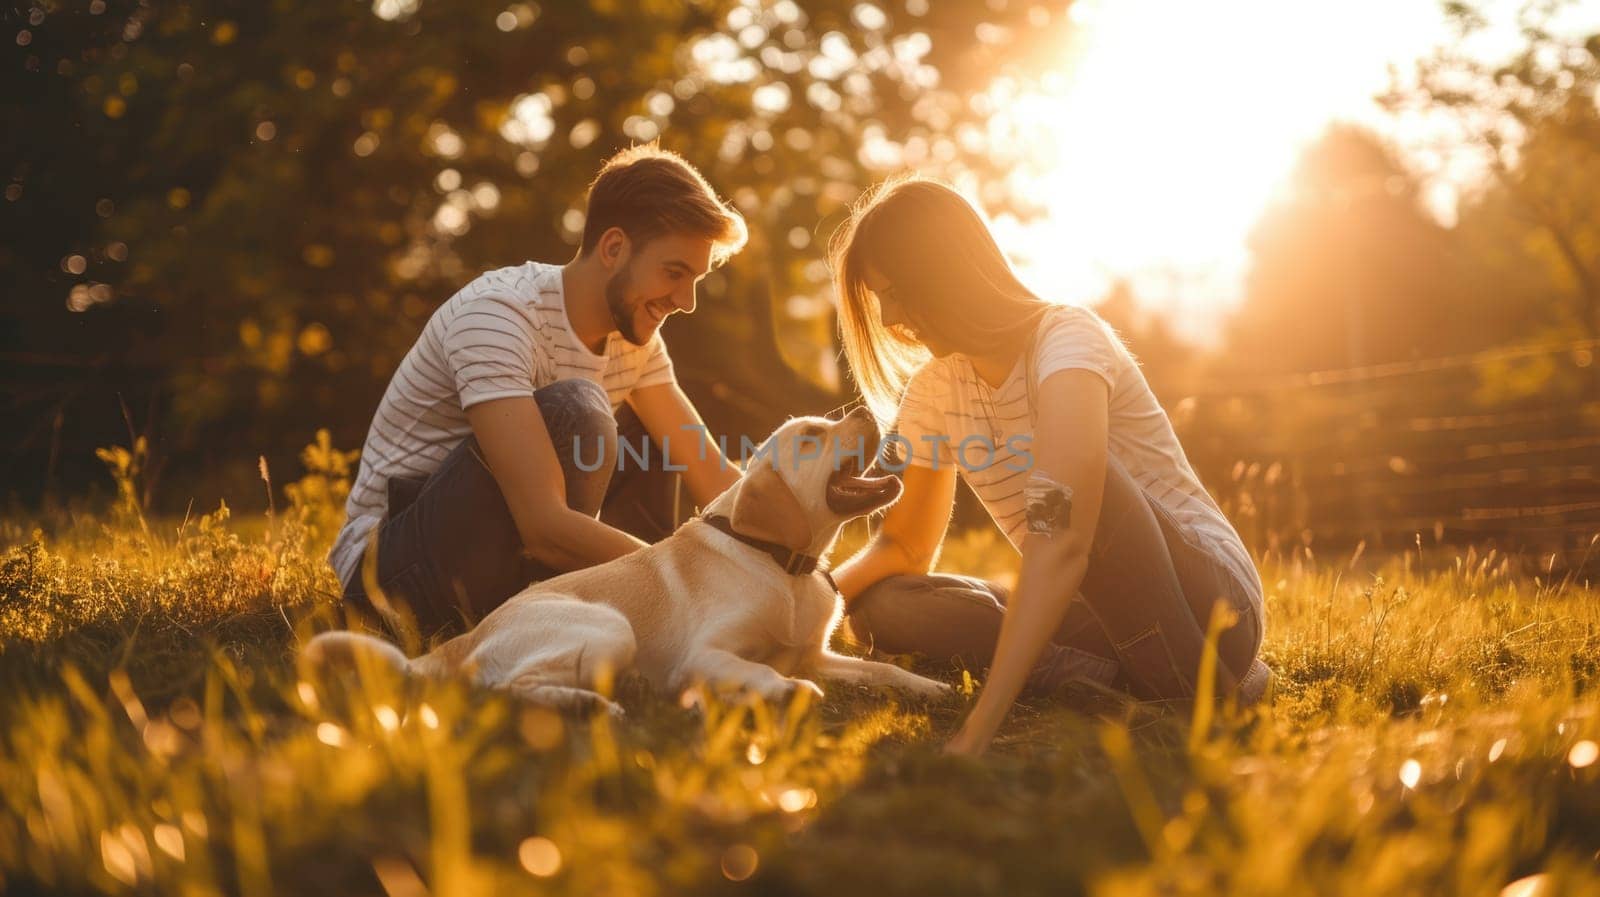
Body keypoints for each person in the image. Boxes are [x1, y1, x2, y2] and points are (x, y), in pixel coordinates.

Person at [827, 176, 1273, 757]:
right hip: (1093, 608)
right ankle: (1142, 686)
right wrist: (802, 599)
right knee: (884, 607)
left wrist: (978, 729)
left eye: (897, 292)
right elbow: (904, 548)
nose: (888, 319)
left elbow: (1059, 535)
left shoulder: (1067, 340)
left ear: (944, 274)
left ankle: (1198, 690)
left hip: (1212, 603)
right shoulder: (934, 390)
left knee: (1081, 491)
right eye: (878, 298)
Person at [328, 145, 747, 639]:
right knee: (581, 409)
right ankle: (624, 610)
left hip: (497, 561)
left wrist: (802, 568)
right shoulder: (499, 315)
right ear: (613, 248)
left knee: (657, 438)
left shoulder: (636, 341)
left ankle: (636, 622)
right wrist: (687, 582)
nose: (686, 301)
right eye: (674, 273)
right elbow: (544, 528)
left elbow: (720, 486)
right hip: (391, 572)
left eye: (694, 279)